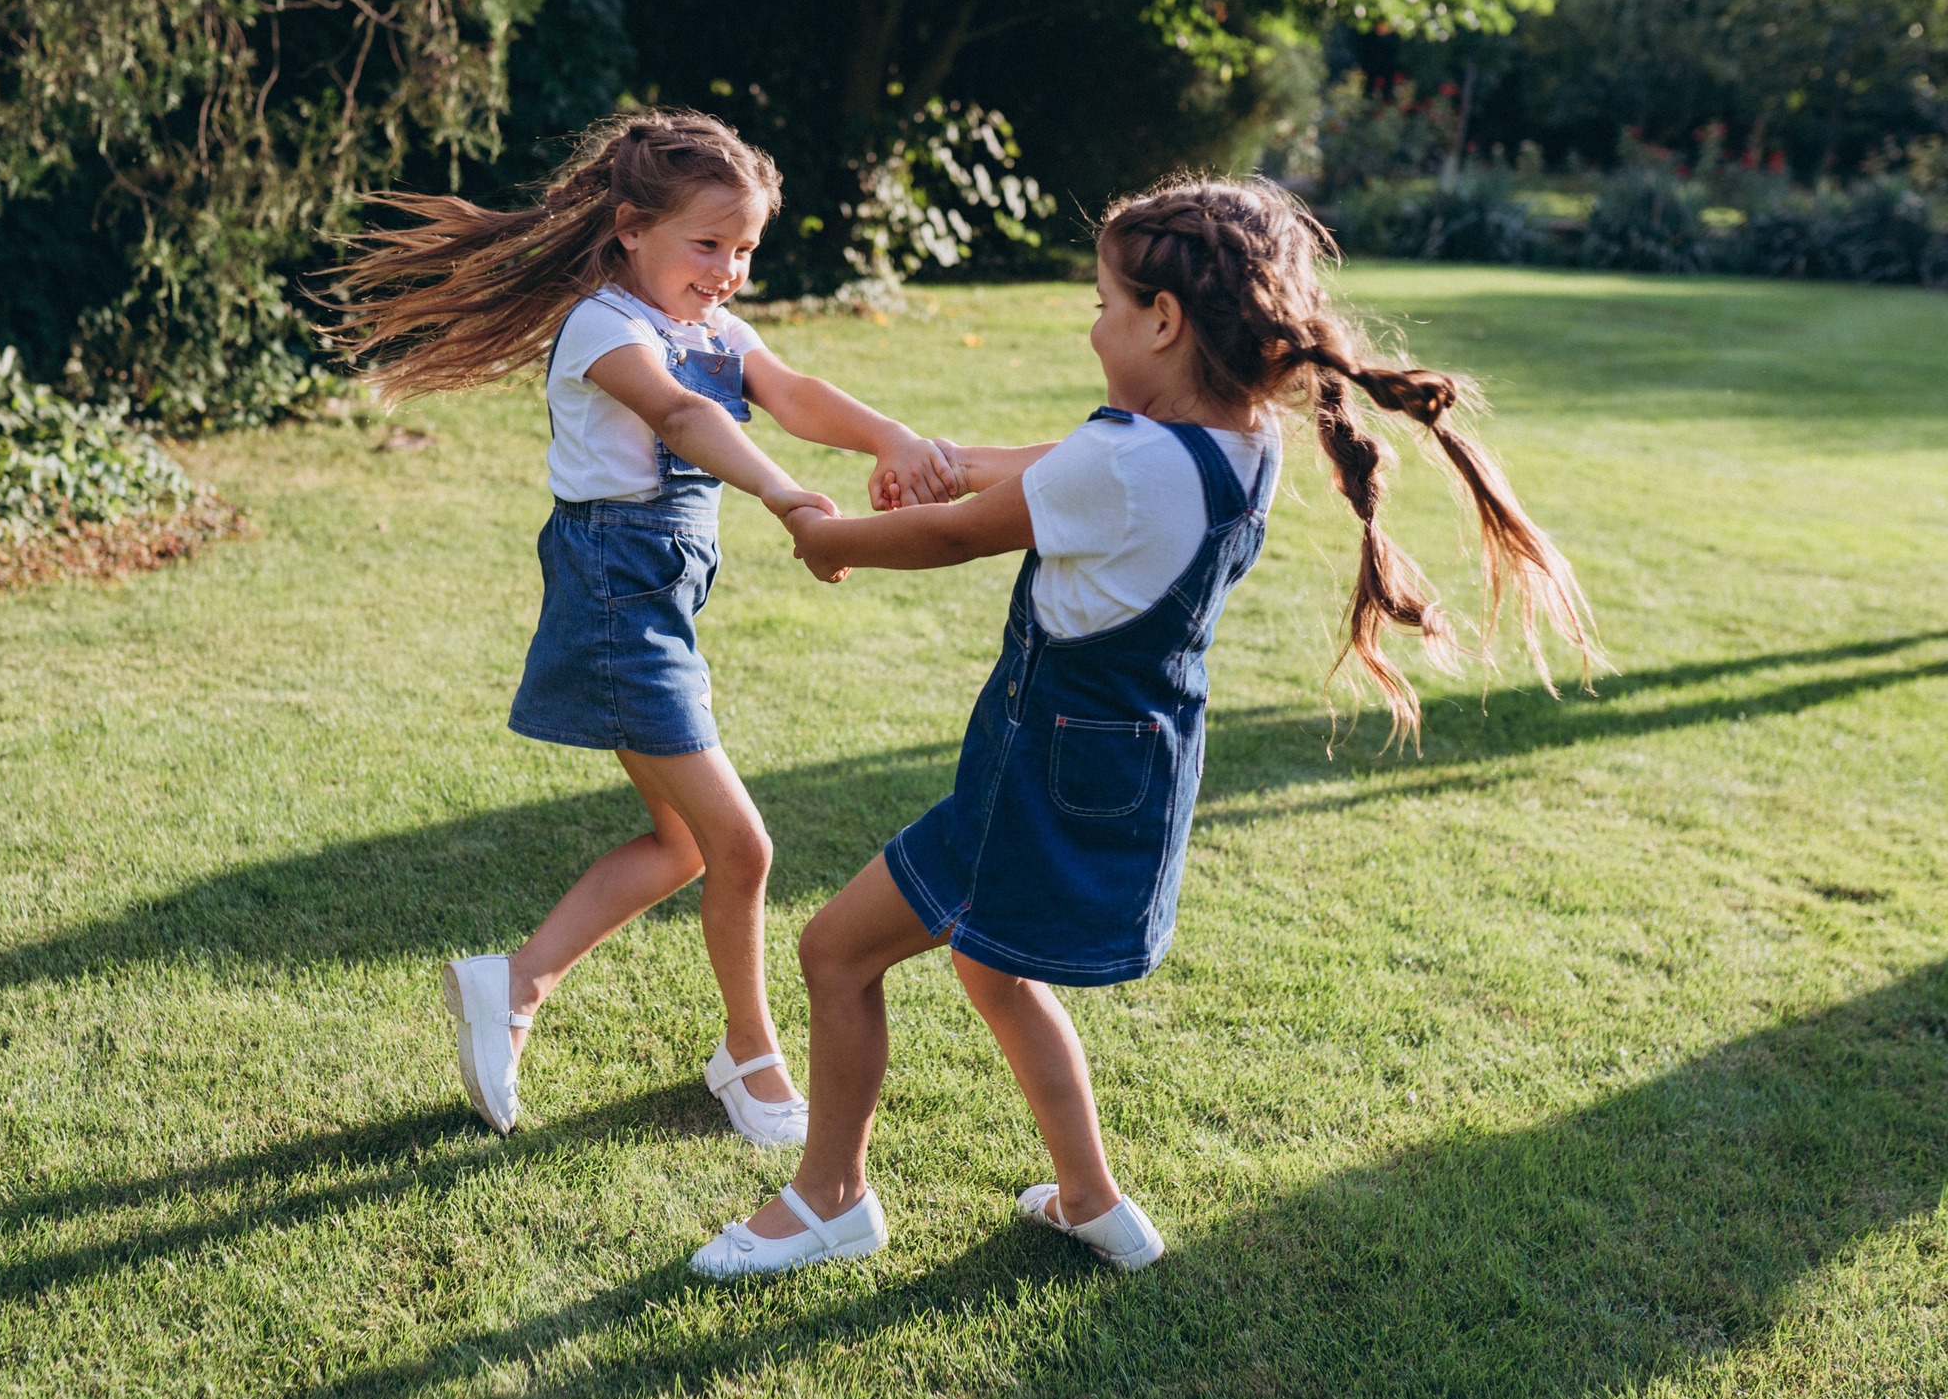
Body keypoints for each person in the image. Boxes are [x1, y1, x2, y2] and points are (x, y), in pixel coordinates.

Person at [690, 174, 1601, 1277]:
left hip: (1036, 767)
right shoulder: (1240, 444)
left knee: (833, 950)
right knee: (992, 965)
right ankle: (1091, 1197)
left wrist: (831, 538)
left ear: (1163, 320)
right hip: (1129, 760)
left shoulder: (1122, 463)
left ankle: (828, 1196)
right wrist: (924, 455)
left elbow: (962, 532)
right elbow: (1038, 472)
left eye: (1103, 303)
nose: (1093, 325)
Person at [335, 110, 961, 1145]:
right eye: (707, 244)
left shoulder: (713, 327)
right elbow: (680, 418)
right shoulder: (605, 326)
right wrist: (791, 498)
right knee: (740, 845)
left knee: (682, 843)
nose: (728, 271)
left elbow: (789, 390)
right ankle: (748, 1052)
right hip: (616, 594)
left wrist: (889, 435)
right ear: (629, 227)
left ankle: (516, 983)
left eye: (746, 249)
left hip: (657, 594)